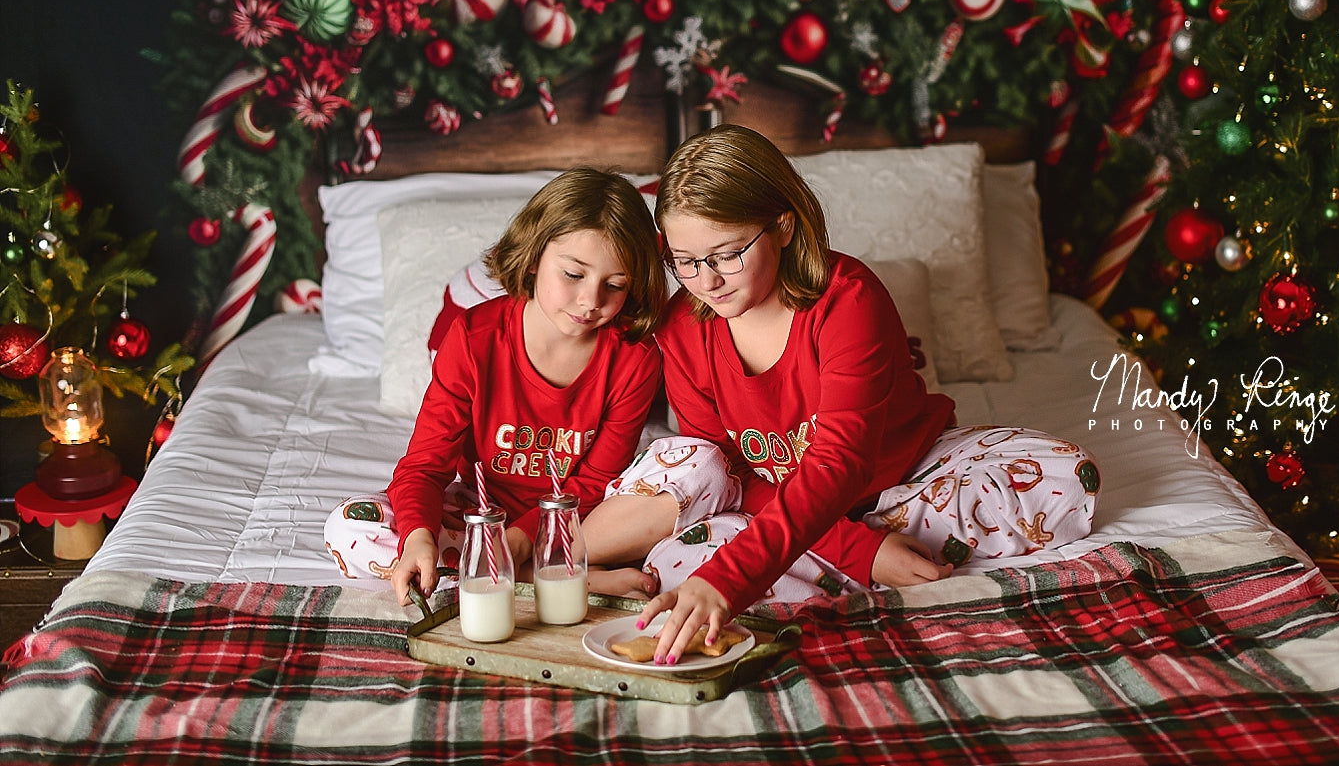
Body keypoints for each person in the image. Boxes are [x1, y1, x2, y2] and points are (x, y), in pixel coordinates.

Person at [582, 126, 1099, 665]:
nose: (705, 281)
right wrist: (860, 551)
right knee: (685, 560)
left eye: (726, 254)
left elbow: (840, 461)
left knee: (1065, 475)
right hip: (768, 504)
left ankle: (826, 565)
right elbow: (730, 478)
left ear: (781, 226)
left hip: (905, 476)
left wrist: (855, 548)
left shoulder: (847, 298)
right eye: (684, 262)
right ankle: (840, 563)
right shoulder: (683, 329)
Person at [323, 168, 668, 603]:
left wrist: (523, 538)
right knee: (350, 525)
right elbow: (426, 464)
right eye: (573, 274)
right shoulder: (472, 339)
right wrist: (417, 538)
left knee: (694, 475)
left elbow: (597, 480)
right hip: (480, 514)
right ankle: (550, 576)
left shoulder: (635, 358)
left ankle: (513, 569)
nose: (591, 300)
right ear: (535, 255)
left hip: (585, 521)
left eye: (615, 285)